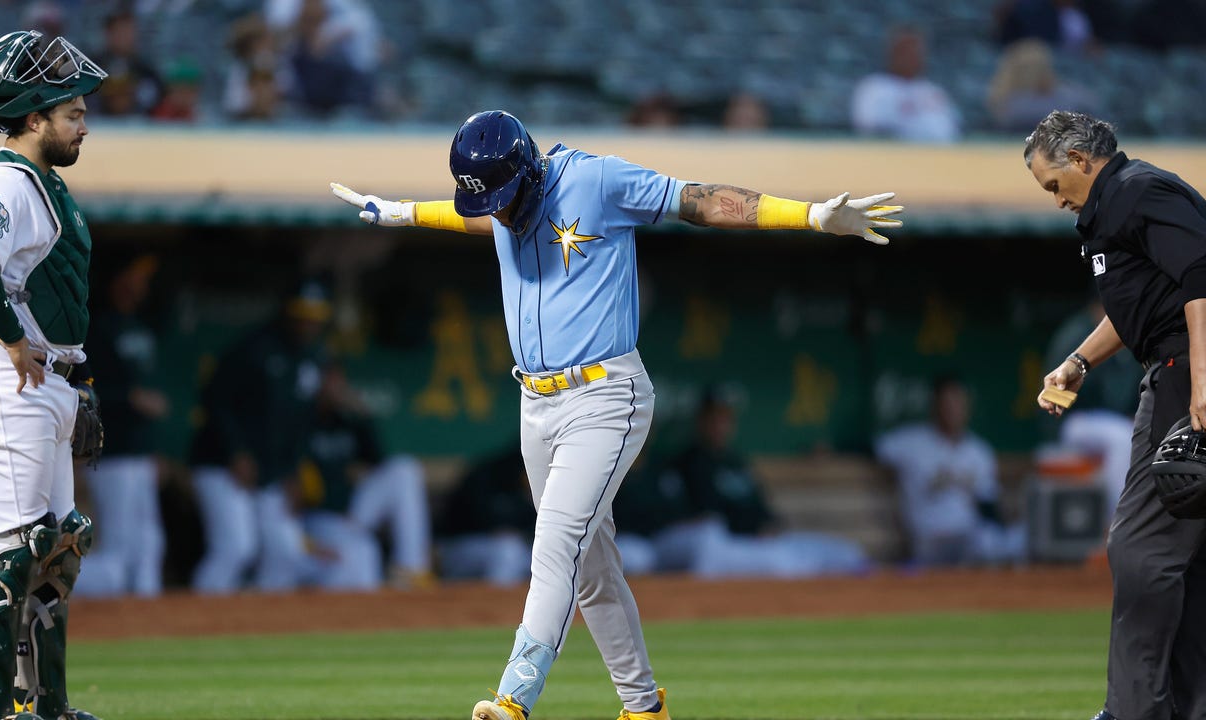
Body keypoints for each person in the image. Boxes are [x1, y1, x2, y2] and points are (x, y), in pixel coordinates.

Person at [330, 109, 902, 720]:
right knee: (591, 567)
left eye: (500, 196)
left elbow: (699, 200)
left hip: (605, 396)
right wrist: (403, 212)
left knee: (554, 543)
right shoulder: (500, 204)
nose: (496, 210)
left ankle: (513, 699)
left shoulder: (595, 181)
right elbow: (476, 220)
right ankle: (643, 708)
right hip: (536, 402)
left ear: (527, 169)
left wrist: (811, 216)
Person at [0, 29, 107, 720]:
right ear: (33, 118)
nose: (83, 122)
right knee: (12, 554)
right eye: (72, 113)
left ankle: (48, 707)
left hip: (42, 380)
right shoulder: (5, 177)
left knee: (58, 550)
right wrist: (11, 339)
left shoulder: (42, 182)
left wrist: (75, 380)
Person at [1027, 110, 1206, 720]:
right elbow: (1143, 302)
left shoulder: (1140, 191)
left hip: (1187, 374)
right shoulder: (1115, 206)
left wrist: (1204, 385)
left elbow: (1201, 281)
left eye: (1053, 184)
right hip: (1176, 367)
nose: (1055, 200)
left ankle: (1135, 710)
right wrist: (1078, 361)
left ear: (1079, 161)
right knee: (1191, 554)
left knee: (1140, 548)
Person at [186, 278, 331, 594]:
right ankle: (195, 623)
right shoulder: (253, 348)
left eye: (315, 315)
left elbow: (298, 424)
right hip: (221, 464)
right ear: (287, 312)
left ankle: (260, 630)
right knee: (237, 547)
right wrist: (236, 451)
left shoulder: (313, 358)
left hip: (270, 472)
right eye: (303, 314)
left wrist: (292, 471)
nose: (309, 322)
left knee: (287, 552)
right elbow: (216, 401)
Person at [634, 386, 870, 578]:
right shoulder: (690, 462)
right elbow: (707, 515)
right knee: (781, 563)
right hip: (737, 543)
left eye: (726, 418)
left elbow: (761, 506)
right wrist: (755, 530)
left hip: (766, 540)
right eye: (715, 418)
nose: (721, 425)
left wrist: (769, 525)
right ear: (701, 420)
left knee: (846, 553)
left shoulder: (736, 462)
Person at [74, 253, 169, 598]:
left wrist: (152, 451)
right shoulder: (97, 328)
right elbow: (83, 388)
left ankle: (147, 620)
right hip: (111, 452)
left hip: (139, 451)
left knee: (149, 542)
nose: (139, 287)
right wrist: (129, 397)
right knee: (119, 547)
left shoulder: (140, 326)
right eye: (133, 278)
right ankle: (47, 584)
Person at [300, 364, 433, 591]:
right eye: (330, 381)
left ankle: (411, 569)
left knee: (404, 469)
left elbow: (379, 461)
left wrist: (362, 415)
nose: (338, 387)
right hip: (317, 517)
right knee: (365, 552)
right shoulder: (301, 422)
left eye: (338, 380)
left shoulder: (346, 421)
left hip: (350, 513)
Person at [874, 375, 1025, 567]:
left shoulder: (978, 452)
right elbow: (870, 447)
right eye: (946, 402)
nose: (952, 409)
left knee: (1006, 539)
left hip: (967, 539)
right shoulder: (910, 441)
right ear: (934, 405)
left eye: (957, 401)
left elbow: (989, 505)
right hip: (928, 539)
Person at [1041, 293, 1141, 520]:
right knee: (1122, 436)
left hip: (1109, 424)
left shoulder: (1127, 333)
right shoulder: (1075, 335)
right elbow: (1055, 397)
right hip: (1074, 422)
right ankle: (1120, 519)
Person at [434, 439, 536, 587]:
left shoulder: (540, 481)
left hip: (507, 554)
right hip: (458, 549)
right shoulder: (488, 475)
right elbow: (482, 520)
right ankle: (497, 607)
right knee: (508, 550)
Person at [850, 27, 961, 144]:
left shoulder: (933, 90)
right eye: (904, 50)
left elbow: (951, 130)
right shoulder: (873, 87)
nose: (909, 56)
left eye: (915, 51)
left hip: (936, 157)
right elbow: (868, 126)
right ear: (892, 52)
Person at [985, 39, 1099, 134]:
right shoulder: (1007, 103)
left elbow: (1090, 106)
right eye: (1027, 68)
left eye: (1039, 67)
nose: (1033, 74)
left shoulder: (1068, 95)